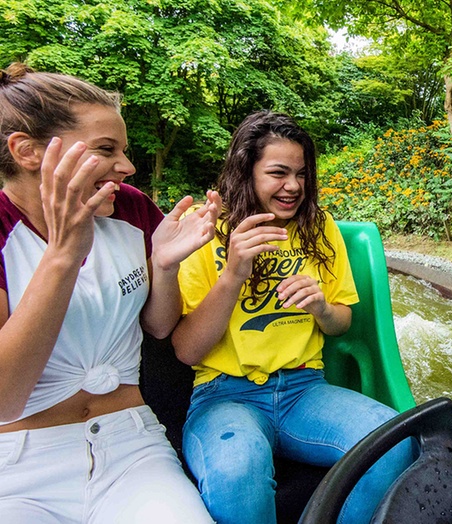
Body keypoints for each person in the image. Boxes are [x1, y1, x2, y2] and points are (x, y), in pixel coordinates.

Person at [0, 63, 218, 522]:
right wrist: (63, 255)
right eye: (106, 149)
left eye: (123, 150)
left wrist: (164, 266)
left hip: (131, 444)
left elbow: (159, 326)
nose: (128, 167)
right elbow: (5, 399)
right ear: (27, 151)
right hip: (18, 464)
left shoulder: (131, 207)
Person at [172, 110, 413, 524]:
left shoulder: (320, 228)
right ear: (245, 172)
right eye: (278, 173)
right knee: (237, 474)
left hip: (304, 388)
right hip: (225, 394)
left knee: (396, 442)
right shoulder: (206, 230)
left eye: (301, 174)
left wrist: (320, 306)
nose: (294, 186)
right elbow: (186, 349)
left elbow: (342, 322)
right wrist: (233, 273)